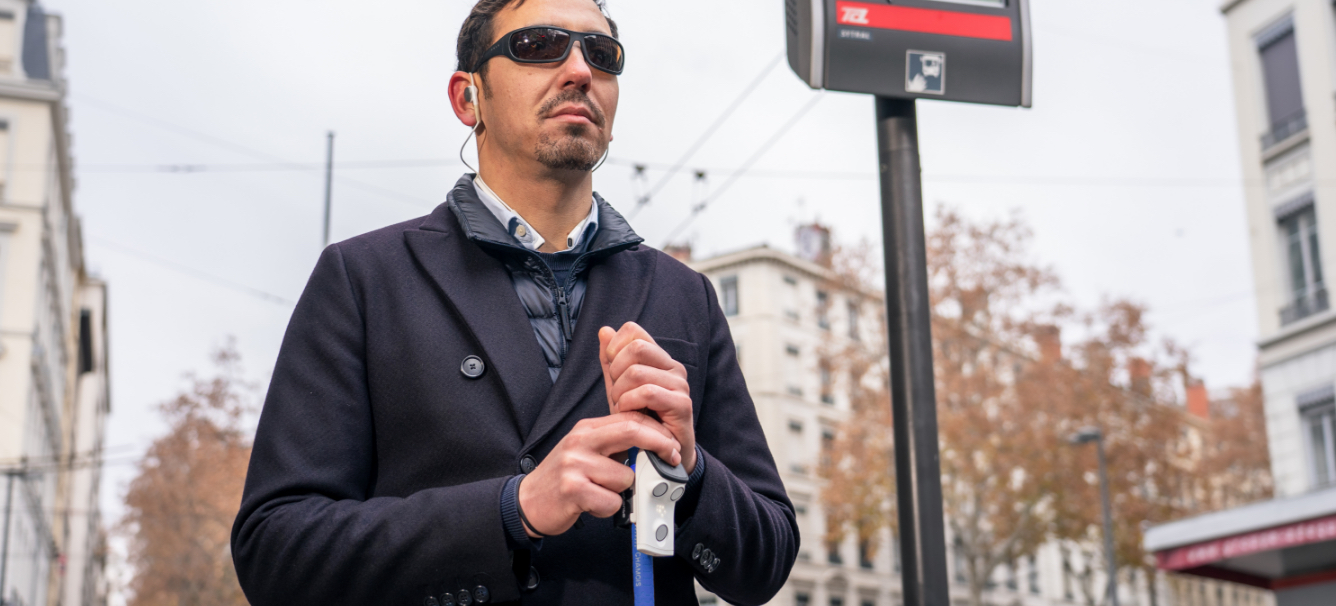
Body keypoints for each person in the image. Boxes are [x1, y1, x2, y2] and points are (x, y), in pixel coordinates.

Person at [230, 0, 798, 604]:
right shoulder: (364, 278)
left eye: (601, 54)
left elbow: (765, 561)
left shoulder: (685, 294)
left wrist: (693, 470)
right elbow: (276, 549)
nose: (580, 69)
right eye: (538, 46)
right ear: (467, 97)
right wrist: (511, 510)